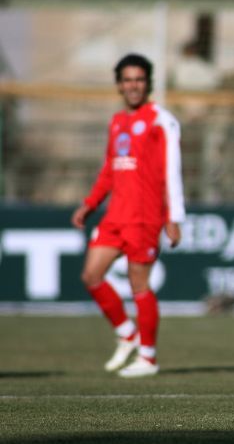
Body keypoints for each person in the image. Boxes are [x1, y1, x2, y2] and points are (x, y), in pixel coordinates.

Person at [71, 54, 185, 378]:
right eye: (127, 80)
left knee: (139, 285)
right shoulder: (117, 121)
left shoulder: (161, 120)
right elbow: (110, 168)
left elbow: (172, 170)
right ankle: (127, 333)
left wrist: (174, 217)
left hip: (145, 218)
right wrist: (90, 204)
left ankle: (148, 357)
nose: (133, 85)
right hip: (115, 217)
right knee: (91, 276)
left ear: (148, 83)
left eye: (139, 79)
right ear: (119, 85)